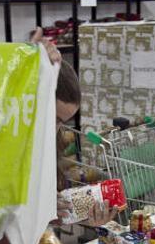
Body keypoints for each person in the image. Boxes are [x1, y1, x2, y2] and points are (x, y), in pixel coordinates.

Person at [30, 28, 118, 227]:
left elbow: (46, 215)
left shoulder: (51, 144)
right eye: (54, 119)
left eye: (62, 121)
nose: (56, 129)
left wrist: (80, 217)